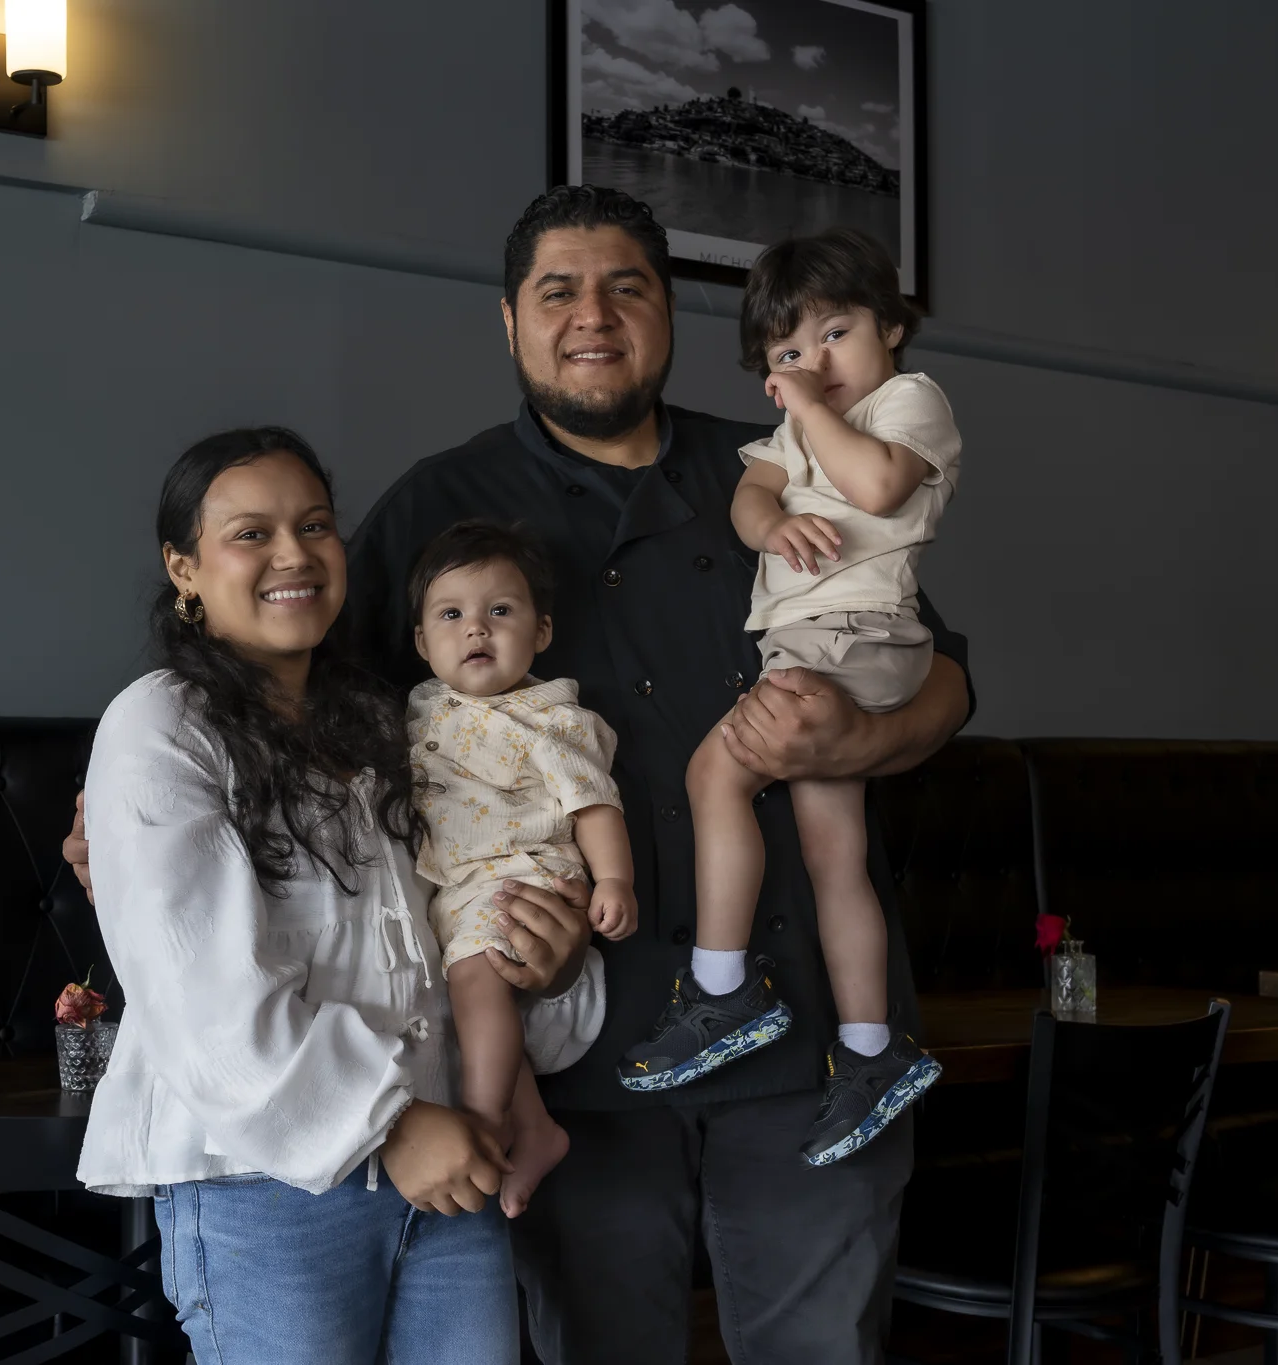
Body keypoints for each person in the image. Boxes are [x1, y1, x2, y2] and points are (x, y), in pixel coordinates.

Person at [67, 187, 971, 1365]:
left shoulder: (779, 462)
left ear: (666, 314)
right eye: (557, 291)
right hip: (568, 1057)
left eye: (625, 288)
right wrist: (125, 824)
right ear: (508, 322)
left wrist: (862, 743)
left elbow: (940, 673)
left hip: (805, 1035)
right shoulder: (429, 510)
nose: (590, 317)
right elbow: (292, 706)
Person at [74, 427, 604, 1365]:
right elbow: (199, 993)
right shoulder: (160, 723)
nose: (294, 554)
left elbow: (459, 942)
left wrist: (551, 971)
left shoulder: (393, 728)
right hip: (267, 1186)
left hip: (450, 1166)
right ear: (183, 566)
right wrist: (391, 1125)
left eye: (315, 524)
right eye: (252, 533)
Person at [618, 228, 959, 1169]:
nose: (814, 363)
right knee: (832, 856)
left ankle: (723, 986)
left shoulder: (908, 403)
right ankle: (870, 1048)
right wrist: (772, 523)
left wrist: (808, 405)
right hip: (814, 645)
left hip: (859, 643)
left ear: (891, 326)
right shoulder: (790, 433)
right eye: (788, 353)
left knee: (711, 773)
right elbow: (749, 497)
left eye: (836, 333)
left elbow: (879, 484)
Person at [404, 519, 637, 1218]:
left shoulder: (548, 717)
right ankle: (535, 1126)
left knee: (478, 984)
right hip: (456, 883)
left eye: (500, 611)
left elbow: (594, 802)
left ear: (540, 631)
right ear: (422, 642)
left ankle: (483, 1119)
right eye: (452, 615)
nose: (476, 629)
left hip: (519, 871)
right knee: (474, 1001)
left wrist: (614, 880)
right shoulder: (420, 706)